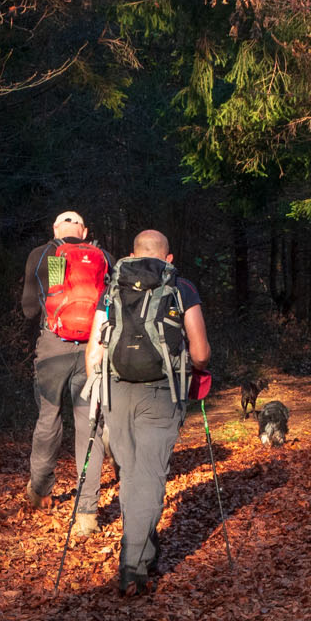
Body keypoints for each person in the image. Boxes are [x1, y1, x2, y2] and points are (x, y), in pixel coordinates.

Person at [84, 229, 211, 597]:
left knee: (132, 475)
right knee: (150, 476)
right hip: (161, 391)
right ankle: (133, 566)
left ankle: (144, 549)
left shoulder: (112, 288)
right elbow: (201, 352)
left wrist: (96, 392)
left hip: (116, 391)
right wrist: (195, 367)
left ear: (132, 254)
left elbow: (94, 350)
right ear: (168, 258)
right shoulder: (181, 288)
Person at [19, 210, 111, 535]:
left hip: (52, 351)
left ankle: (40, 491)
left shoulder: (45, 255)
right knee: (90, 428)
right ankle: (87, 514)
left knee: (49, 418)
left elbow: (30, 309)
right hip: (94, 352)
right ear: (84, 232)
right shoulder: (103, 257)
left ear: (55, 229)